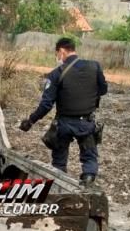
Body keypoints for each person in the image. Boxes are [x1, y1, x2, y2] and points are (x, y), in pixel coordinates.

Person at [19, 37, 108, 186]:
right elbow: (103, 90)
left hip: (64, 124)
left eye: (57, 54)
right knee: (89, 157)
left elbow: (46, 105)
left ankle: (60, 185)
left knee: (59, 161)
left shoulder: (56, 73)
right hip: (86, 122)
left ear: (61, 51)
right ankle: (88, 181)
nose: (57, 58)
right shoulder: (95, 67)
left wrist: (30, 121)